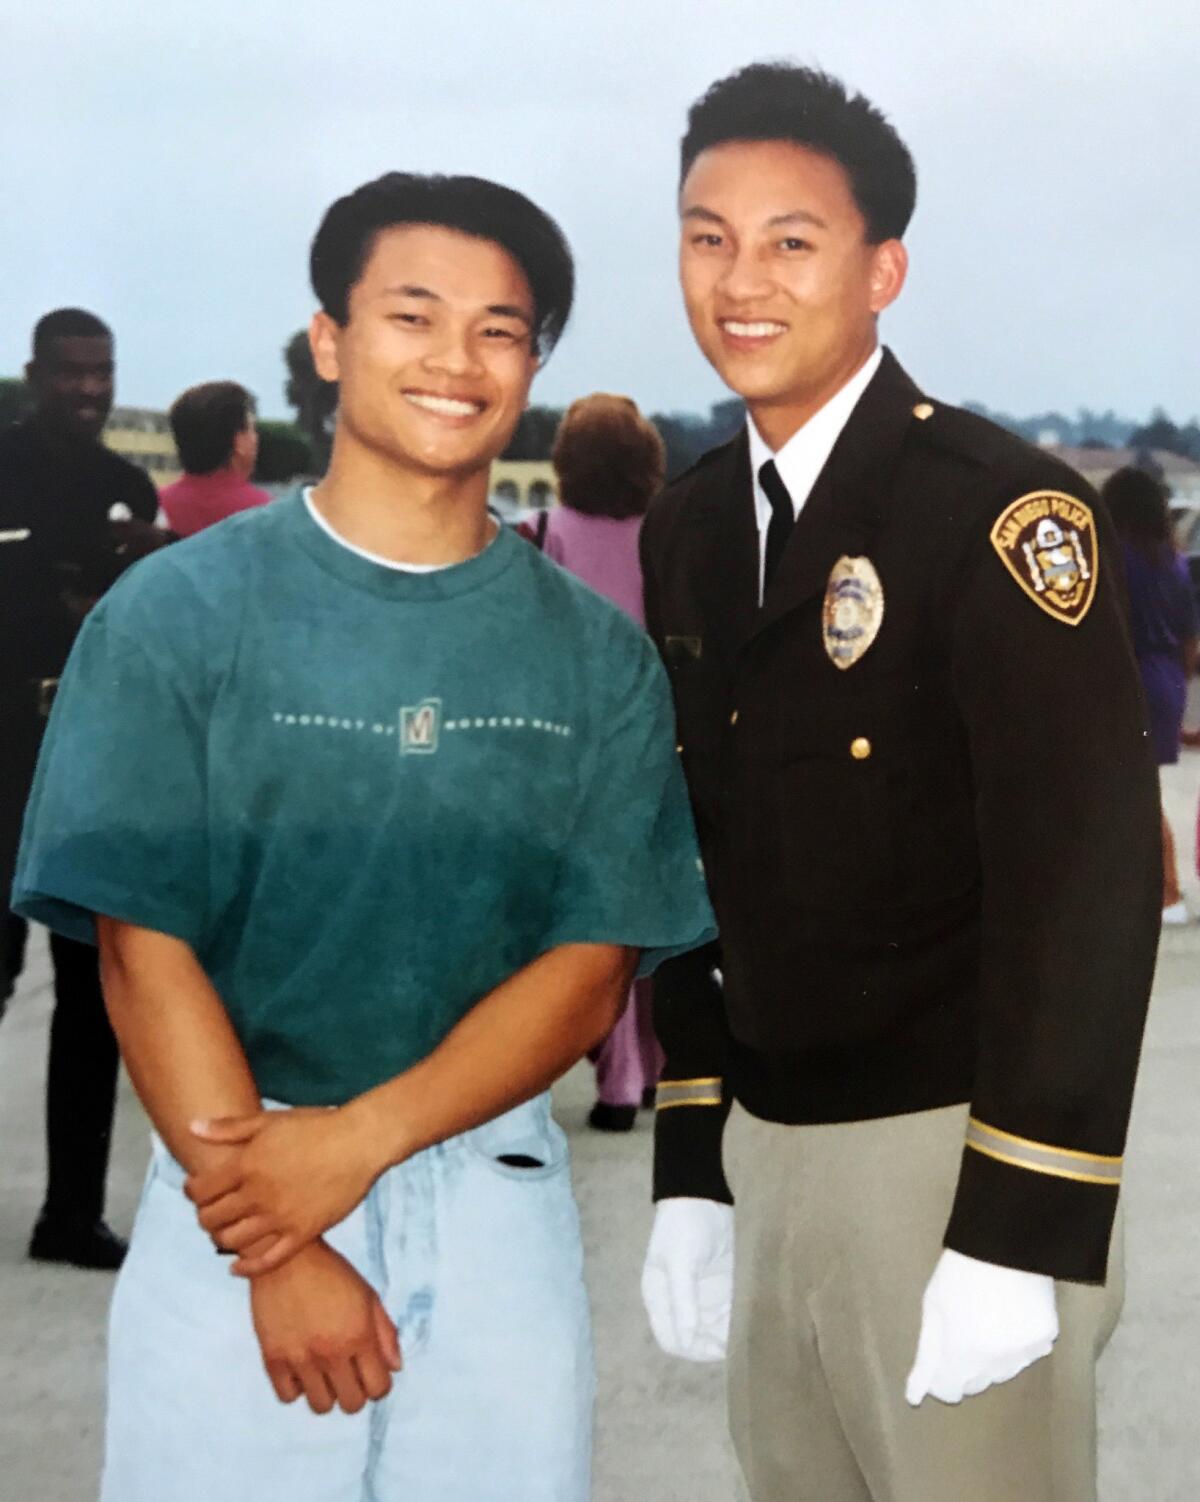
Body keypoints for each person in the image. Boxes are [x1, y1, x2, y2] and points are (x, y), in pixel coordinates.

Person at [13, 171, 715, 1501]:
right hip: (230, 1186)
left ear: (535, 361)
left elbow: (589, 969)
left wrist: (363, 1139)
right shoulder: (174, 615)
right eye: (413, 314)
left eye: (502, 328)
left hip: (497, 1200)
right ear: (330, 340)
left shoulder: (597, 660)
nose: (458, 359)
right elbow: (138, 947)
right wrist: (279, 1243)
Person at [637, 64, 1159, 1502]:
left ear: (884, 270)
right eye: (706, 236)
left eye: (791, 241)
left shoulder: (993, 512)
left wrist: (1020, 1221)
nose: (741, 279)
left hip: (949, 1162)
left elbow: (1091, 881)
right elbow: (693, 856)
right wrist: (693, 1152)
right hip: (771, 1153)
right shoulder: (689, 527)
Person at [1, 306, 165, 1270]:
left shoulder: (124, 486)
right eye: (71, 372)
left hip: (82, 758)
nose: (90, 389)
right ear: (34, 373)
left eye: (101, 371)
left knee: (89, 992)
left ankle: (71, 1212)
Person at [545, 393, 668, 1129]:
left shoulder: (551, 532)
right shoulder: (662, 533)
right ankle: (650, 1064)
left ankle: (617, 1078)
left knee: (599, 914)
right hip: (651, 735)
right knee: (648, 912)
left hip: (576, 745)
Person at [1103, 466, 1198, 925]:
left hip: (1131, 676)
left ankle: (1166, 891)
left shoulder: (1113, 559)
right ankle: (1162, 890)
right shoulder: (1174, 561)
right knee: (1143, 788)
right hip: (1168, 678)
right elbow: (1189, 639)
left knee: (1132, 793)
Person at [158, 380, 271, 537]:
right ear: (238, 441)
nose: (256, 438)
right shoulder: (265, 513)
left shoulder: (156, 507)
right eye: (252, 429)